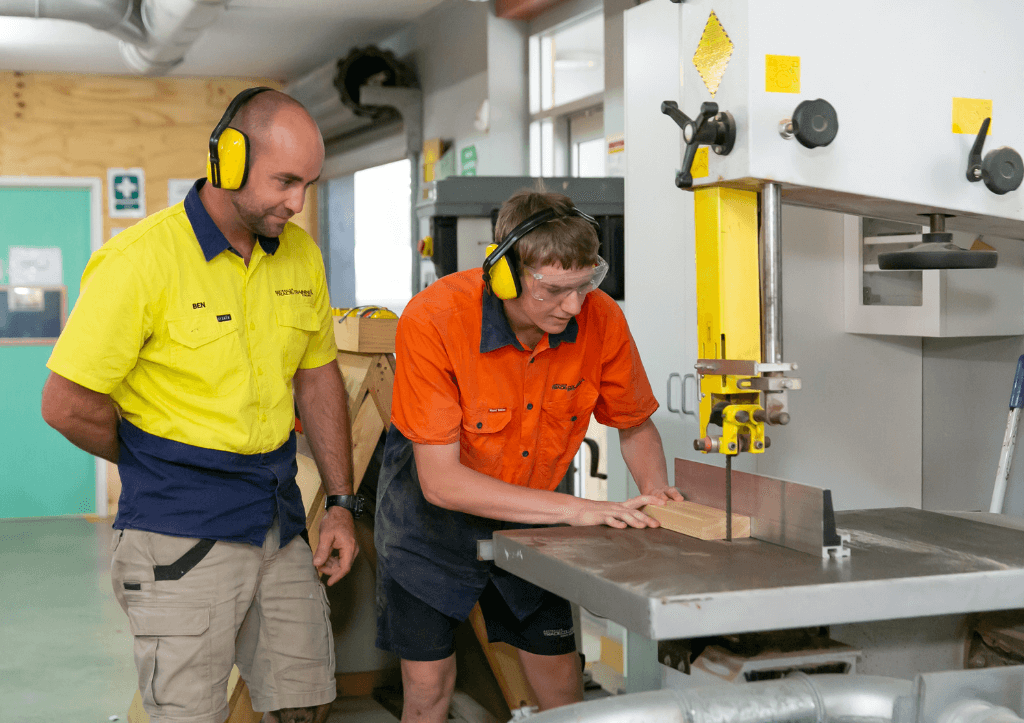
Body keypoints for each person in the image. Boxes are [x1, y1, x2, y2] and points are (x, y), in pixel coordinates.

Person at [41, 88, 356, 723]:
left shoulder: (300, 257)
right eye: (285, 181)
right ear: (228, 160)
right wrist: (158, 461)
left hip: (278, 519)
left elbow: (318, 379)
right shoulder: (140, 262)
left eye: (308, 184)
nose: (297, 204)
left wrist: (342, 505)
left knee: (305, 704)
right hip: (176, 533)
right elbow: (67, 403)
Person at [374, 189, 681, 723]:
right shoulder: (435, 319)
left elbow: (633, 423)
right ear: (505, 277)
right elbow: (441, 483)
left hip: (531, 522)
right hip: (428, 529)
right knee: (427, 692)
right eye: (556, 291)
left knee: (562, 688)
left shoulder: (600, 319)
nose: (575, 306)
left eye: (586, 284)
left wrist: (658, 497)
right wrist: (579, 510)